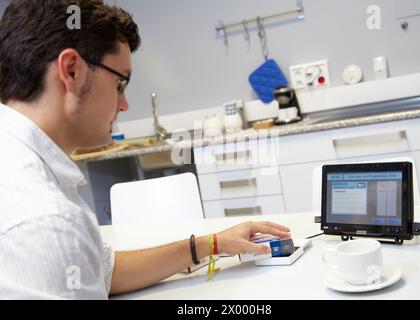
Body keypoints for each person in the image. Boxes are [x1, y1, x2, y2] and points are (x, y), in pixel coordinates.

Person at [0, 0, 291, 299]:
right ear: (72, 71)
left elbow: (104, 272)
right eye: (119, 84)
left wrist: (212, 243)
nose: (124, 104)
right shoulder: (48, 222)